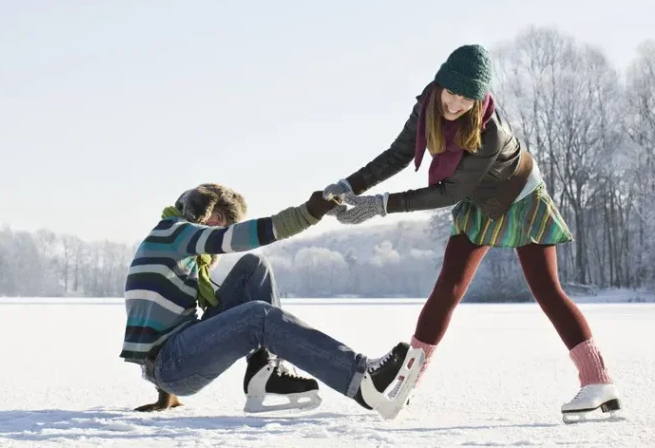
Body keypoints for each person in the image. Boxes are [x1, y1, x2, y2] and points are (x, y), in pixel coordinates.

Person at [323, 44, 621, 422]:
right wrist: (351, 185)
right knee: (448, 288)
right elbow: (398, 154)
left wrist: (379, 205)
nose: (456, 104)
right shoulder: (427, 105)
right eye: (452, 93)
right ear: (440, 84)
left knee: (546, 289)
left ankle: (599, 381)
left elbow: (451, 192)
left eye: (467, 98)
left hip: (521, 198)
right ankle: (407, 382)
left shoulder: (489, 130)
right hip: (481, 201)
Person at [120, 182, 424, 418]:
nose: (220, 228)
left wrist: (166, 394)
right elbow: (235, 238)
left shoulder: (174, 241)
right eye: (221, 219)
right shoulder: (175, 232)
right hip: (173, 363)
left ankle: (267, 373)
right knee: (258, 316)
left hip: (174, 358)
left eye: (226, 224)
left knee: (254, 267)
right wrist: (307, 213)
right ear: (202, 208)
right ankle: (361, 382)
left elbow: (153, 317)